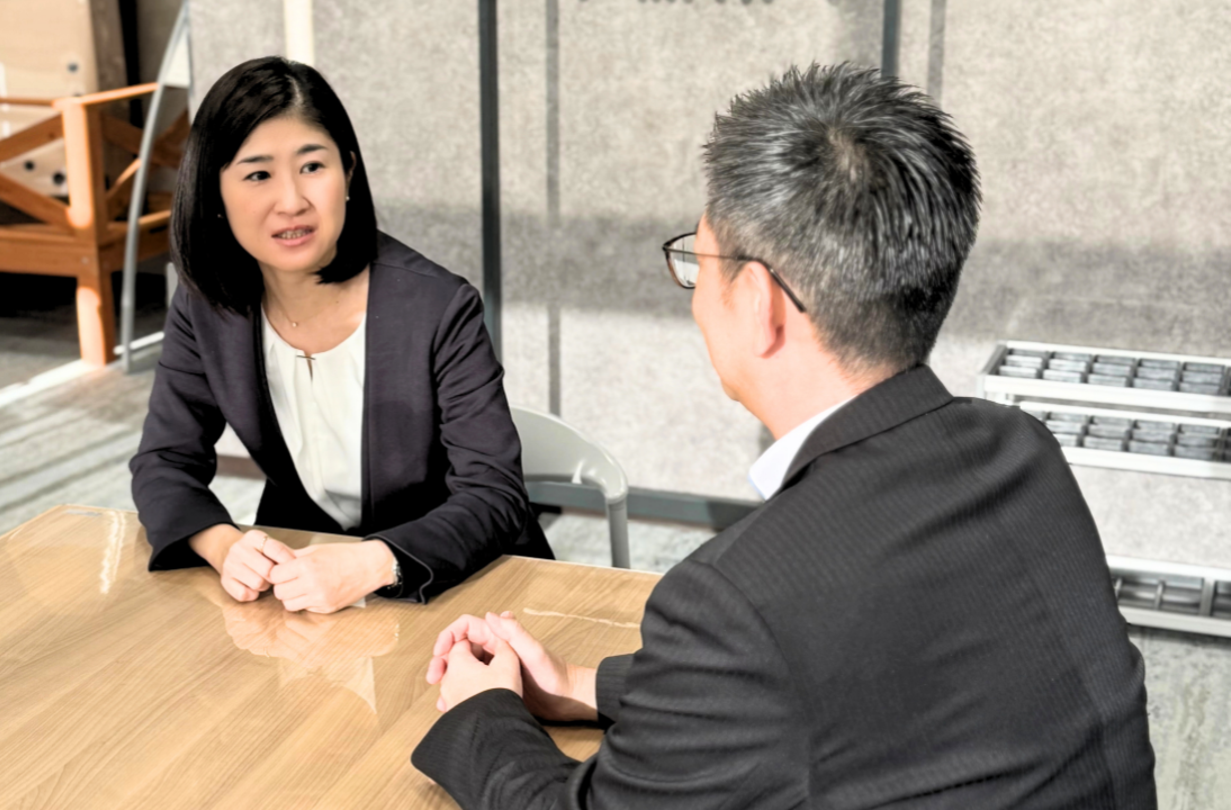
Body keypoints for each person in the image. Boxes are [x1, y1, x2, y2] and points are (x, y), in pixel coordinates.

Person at [413, 63, 1157, 808]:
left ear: (760, 302)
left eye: (697, 262)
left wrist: (483, 710)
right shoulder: (1019, 450)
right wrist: (579, 685)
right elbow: (854, 665)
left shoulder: (733, 600)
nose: (694, 298)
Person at [130, 56, 551, 611]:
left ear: (348, 172)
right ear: (215, 193)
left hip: (459, 584)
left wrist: (375, 562)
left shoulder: (438, 307)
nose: (291, 202)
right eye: (258, 175)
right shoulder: (206, 304)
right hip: (301, 580)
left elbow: (494, 495)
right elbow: (164, 461)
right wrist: (224, 545)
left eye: (312, 167)